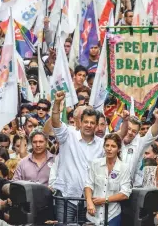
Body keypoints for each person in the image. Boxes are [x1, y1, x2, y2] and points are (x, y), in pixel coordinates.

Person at [51, 91, 107, 223]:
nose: (88, 125)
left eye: (92, 123)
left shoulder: (102, 144)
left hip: (90, 200)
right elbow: (55, 122)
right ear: (80, 123)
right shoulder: (68, 135)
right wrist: (57, 103)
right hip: (66, 195)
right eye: (86, 122)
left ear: (96, 125)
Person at [84, 133, 132, 226]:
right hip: (93, 215)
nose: (109, 149)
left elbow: (125, 194)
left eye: (113, 146)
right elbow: (88, 185)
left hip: (112, 215)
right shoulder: (95, 163)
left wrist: (105, 200)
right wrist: (89, 201)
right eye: (107, 145)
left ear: (118, 149)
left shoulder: (124, 167)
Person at [120, 110, 158, 187]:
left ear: (137, 133)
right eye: (129, 129)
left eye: (134, 131)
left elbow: (150, 135)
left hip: (126, 189)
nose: (130, 132)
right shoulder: (113, 140)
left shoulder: (139, 144)